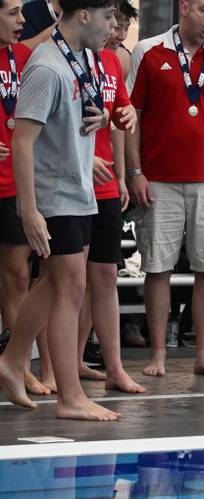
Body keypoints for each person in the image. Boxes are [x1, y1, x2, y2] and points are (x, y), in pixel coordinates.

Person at [0, 0, 119, 421]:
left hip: (78, 187)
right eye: (108, 17)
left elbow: (67, 117)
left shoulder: (82, 59)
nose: (114, 26)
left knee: (55, 283)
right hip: (53, 195)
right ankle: (69, 397)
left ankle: (13, 360)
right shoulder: (47, 66)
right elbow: (22, 140)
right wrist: (29, 210)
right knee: (71, 288)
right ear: (83, 15)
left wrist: (100, 117)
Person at [126, 0, 204, 377]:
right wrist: (135, 171)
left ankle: (203, 353)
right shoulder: (148, 51)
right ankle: (159, 355)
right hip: (159, 180)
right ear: (184, 8)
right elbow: (133, 116)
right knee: (157, 268)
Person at [74, 0, 143, 393]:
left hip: (102, 183)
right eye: (111, 22)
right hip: (72, 183)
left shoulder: (115, 63)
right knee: (65, 281)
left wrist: (121, 172)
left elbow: (117, 116)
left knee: (105, 275)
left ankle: (114, 367)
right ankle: (46, 364)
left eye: (119, 25)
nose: (116, 32)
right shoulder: (65, 59)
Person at [0, 0, 50, 395]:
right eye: (13, 13)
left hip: (11, 182)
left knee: (18, 274)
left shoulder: (23, 56)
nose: (22, 21)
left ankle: (17, 363)